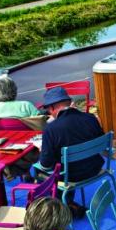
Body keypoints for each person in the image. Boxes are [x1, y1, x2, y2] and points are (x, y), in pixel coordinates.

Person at [37, 86, 104, 218]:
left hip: (71, 177)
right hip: (95, 168)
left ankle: (58, 210)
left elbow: (45, 165)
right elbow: (101, 144)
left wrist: (42, 150)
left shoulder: (51, 129)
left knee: (37, 172)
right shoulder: (91, 118)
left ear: (51, 108)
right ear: (69, 102)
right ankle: (69, 204)